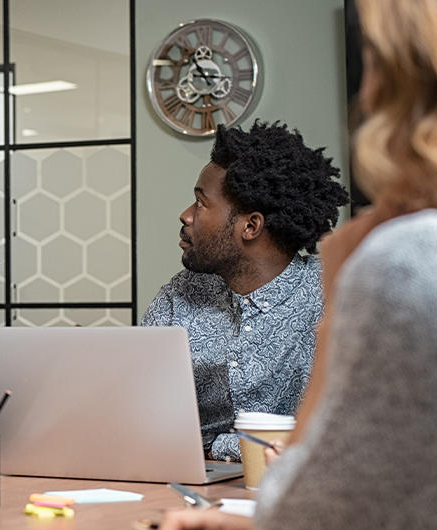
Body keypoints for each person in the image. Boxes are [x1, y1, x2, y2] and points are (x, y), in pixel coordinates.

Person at [124, 0, 437, 530]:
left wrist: (340, 300)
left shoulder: (416, 262)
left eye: (376, 61)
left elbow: (318, 522)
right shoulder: (181, 294)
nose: (366, 91)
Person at [141, 121, 348, 461]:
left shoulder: (332, 297)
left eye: (200, 203)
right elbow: (138, 411)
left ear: (250, 226)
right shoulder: (180, 296)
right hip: (191, 489)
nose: (186, 216)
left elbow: (334, 436)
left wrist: (214, 445)